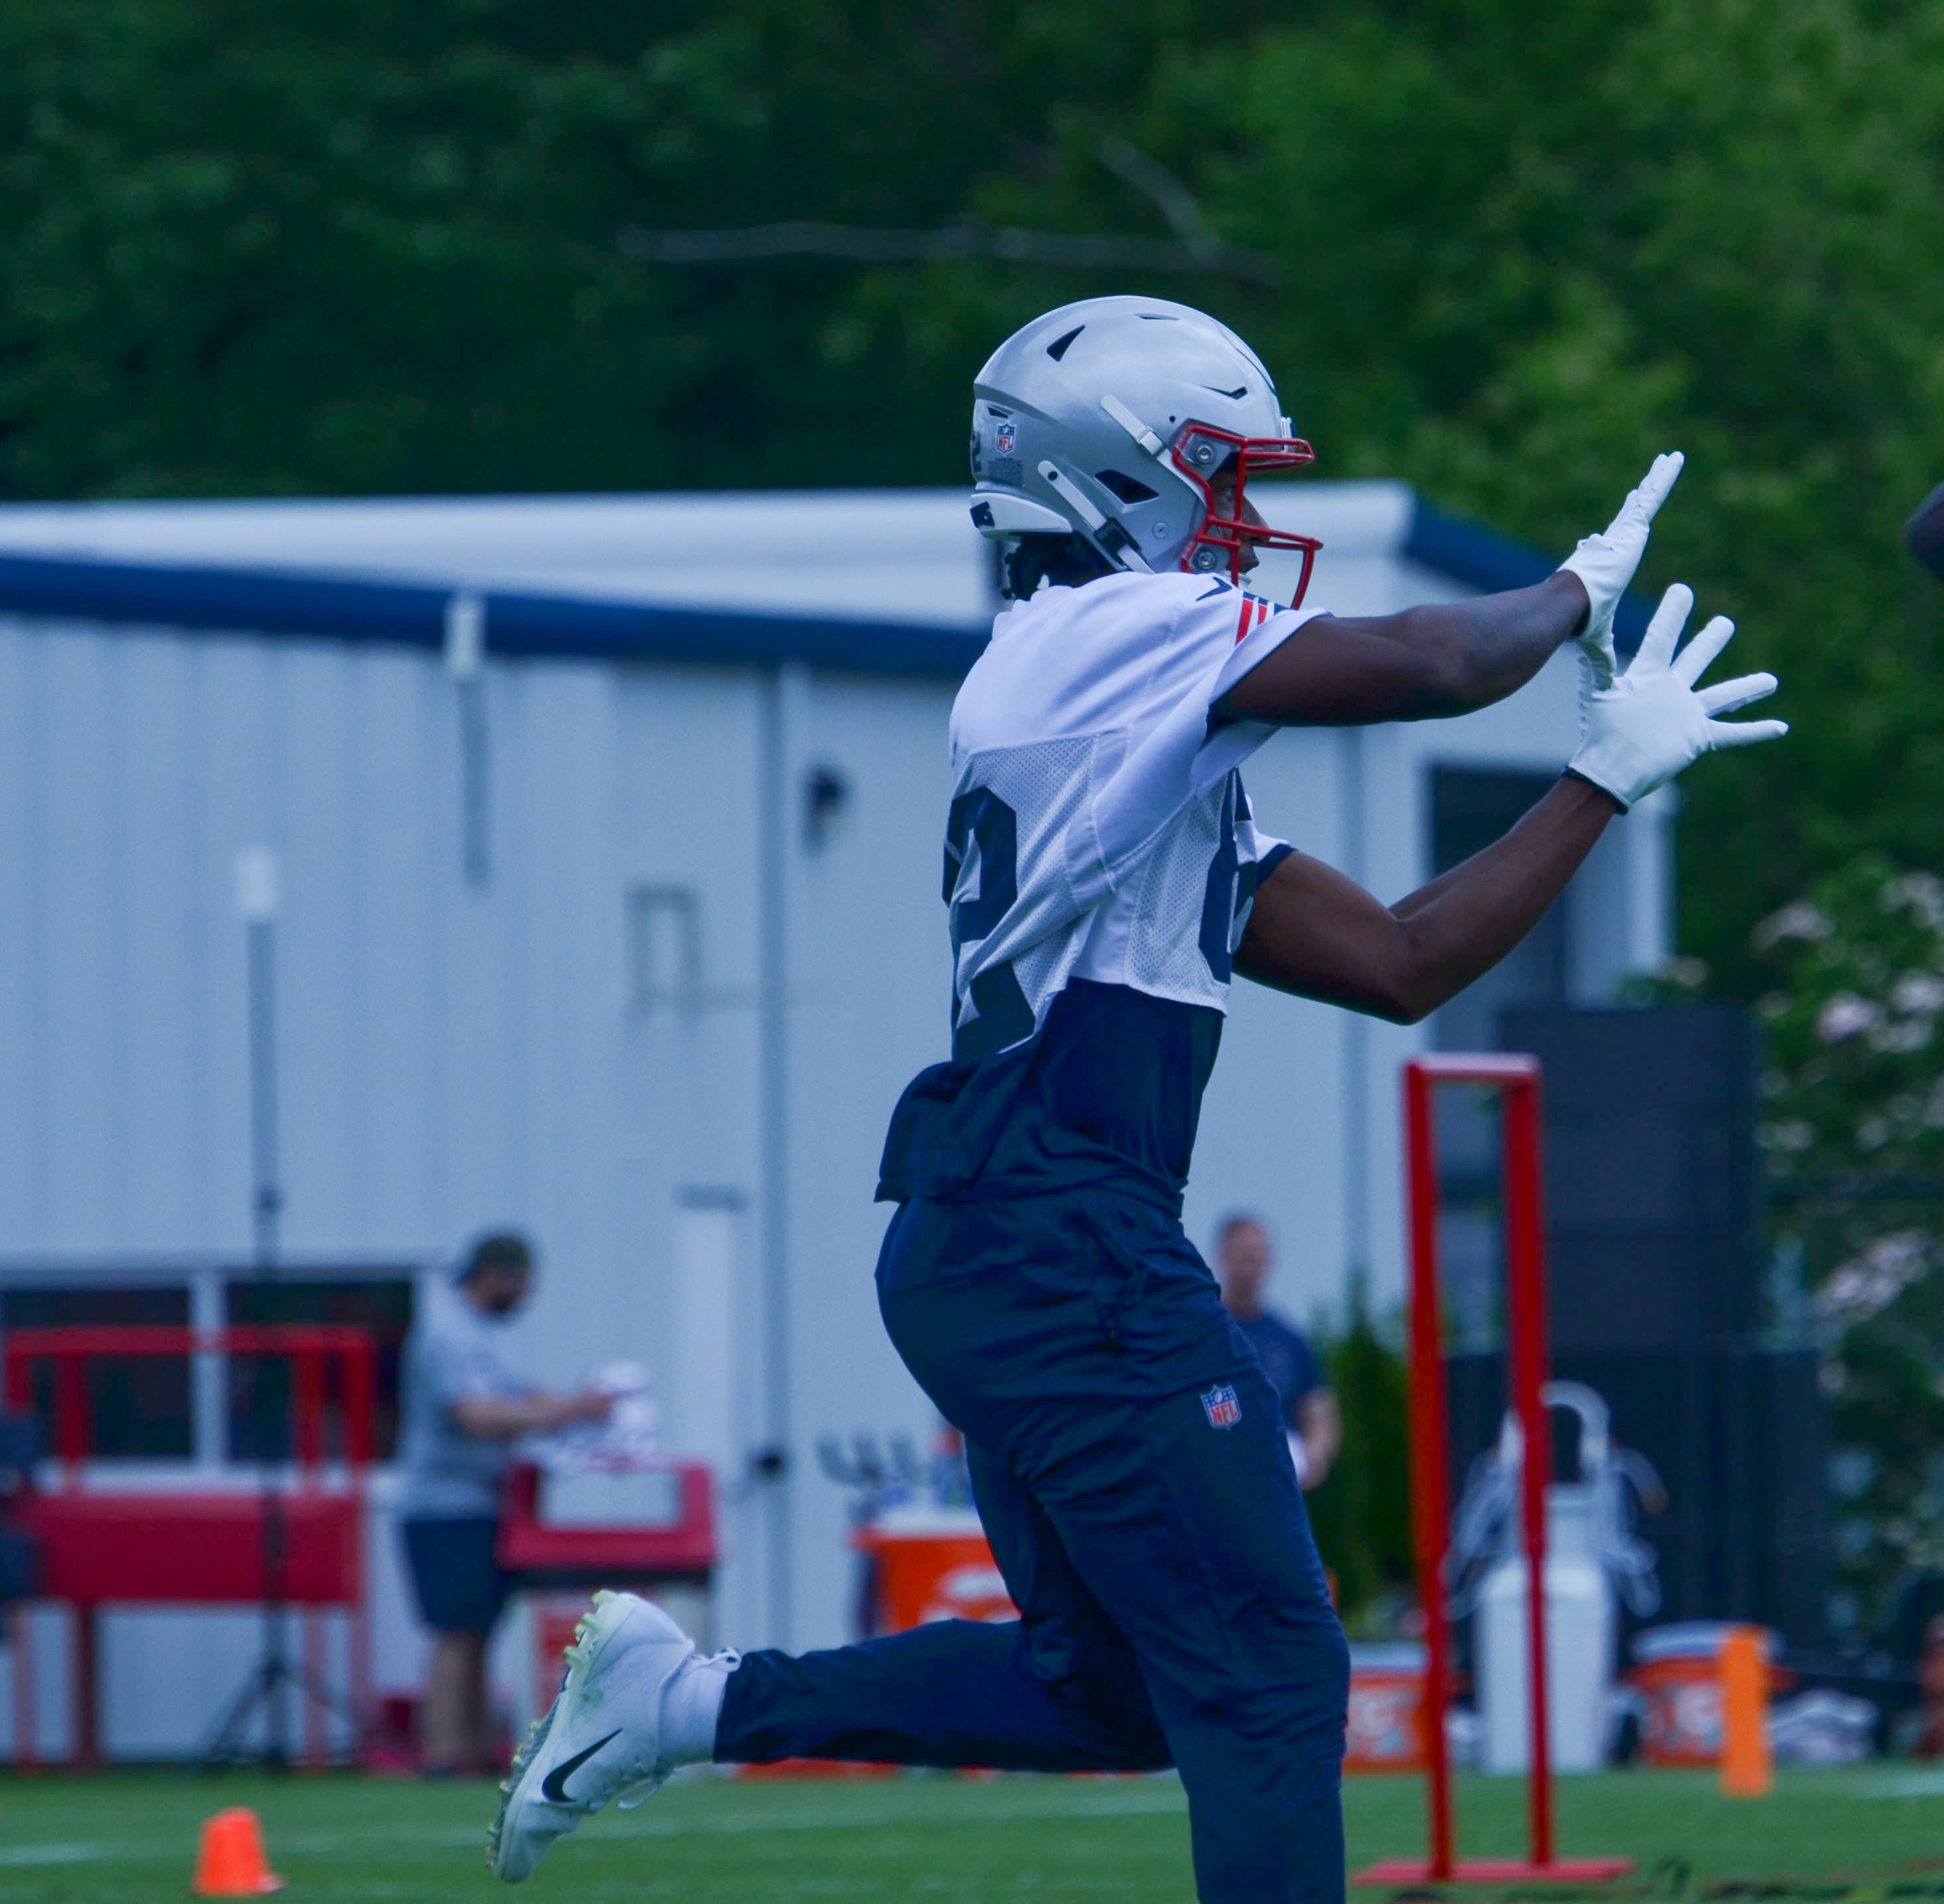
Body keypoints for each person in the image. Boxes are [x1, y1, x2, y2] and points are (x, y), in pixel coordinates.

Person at [488, 296, 1782, 1896]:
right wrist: (1576, 587)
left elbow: (1397, 961)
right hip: (1060, 1229)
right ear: (1117, 475)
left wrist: (1599, 781)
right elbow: (1439, 662)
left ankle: (683, 1705)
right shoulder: (1099, 637)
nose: (1241, 517)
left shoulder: (1115, 733)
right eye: (1221, 476)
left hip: (1008, 1239)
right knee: (1273, 1675)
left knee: (1113, 1689)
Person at [395, 1232, 613, 1778]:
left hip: (479, 1503)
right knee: (455, 1630)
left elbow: (521, 1394)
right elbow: (477, 1415)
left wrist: (578, 1407)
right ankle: (444, 1753)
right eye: (522, 1284)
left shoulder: (482, 1335)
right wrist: (567, 1413)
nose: (525, 1297)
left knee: (480, 1630)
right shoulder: (449, 1334)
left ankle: (470, 1750)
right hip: (444, 1506)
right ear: (494, 1275)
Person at [1214, 1212, 1338, 1490]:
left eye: (1256, 1252)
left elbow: (1318, 1409)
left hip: (1276, 1479)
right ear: (1223, 1257)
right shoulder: (1201, 1335)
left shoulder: (1290, 1340)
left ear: (1269, 1260)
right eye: (1242, 1251)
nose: (1250, 1259)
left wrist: (1315, 1455)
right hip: (1214, 1477)